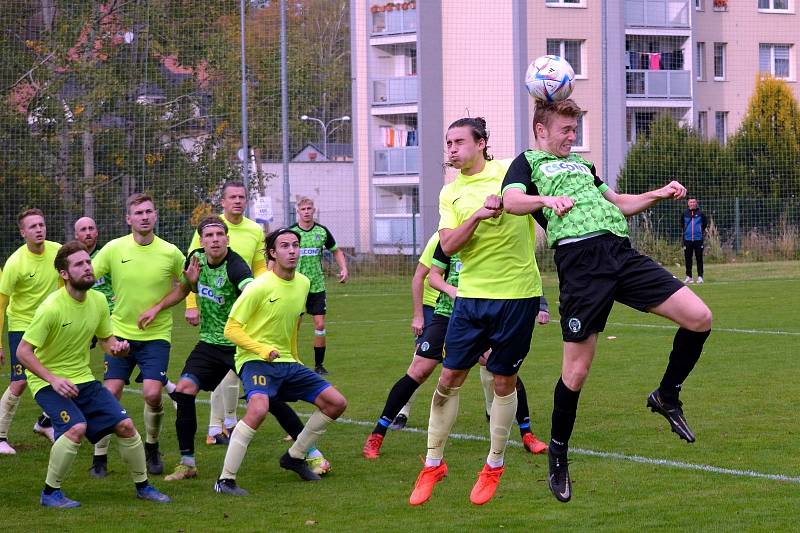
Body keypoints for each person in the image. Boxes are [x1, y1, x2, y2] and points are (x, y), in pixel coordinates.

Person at [502, 99, 713, 503]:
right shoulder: (527, 162)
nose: (572, 135)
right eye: (565, 129)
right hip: (581, 264)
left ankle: (666, 395)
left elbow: (617, 203)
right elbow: (512, 202)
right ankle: (559, 454)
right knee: (576, 373)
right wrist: (546, 202)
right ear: (541, 130)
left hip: (622, 255)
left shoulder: (583, 166)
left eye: (575, 128)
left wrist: (657, 194)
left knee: (699, 317)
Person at [408, 117, 544, 507]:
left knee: (504, 382)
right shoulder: (450, 193)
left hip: (517, 297)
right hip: (470, 299)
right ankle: (433, 463)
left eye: (458, 142)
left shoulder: (509, 172)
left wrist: (518, 203)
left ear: (482, 143)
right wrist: (479, 216)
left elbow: (534, 201)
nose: (450, 149)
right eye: (447, 142)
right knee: (448, 377)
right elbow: (447, 245)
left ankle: (494, 464)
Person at [137, 216, 330, 481]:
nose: (215, 240)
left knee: (269, 401)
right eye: (209, 236)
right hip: (209, 343)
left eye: (220, 234)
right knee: (184, 392)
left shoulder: (237, 267)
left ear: (227, 238)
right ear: (201, 241)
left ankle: (311, 452)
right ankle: (187, 463)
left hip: (241, 344)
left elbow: (250, 289)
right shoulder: (196, 259)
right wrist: (164, 303)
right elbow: (185, 288)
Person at [16, 241, 170, 507]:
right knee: (76, 428)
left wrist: (117, 348)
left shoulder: (98, 300)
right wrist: (53, 379)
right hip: (48, 382)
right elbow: (23, 351)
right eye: (79, 264)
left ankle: (143, 486)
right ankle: (50, 493)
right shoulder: (52, 307)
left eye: (88, 262)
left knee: (126, 426)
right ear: (64, 274)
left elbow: (105, 339)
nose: (88, 268)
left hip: (83, 378)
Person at [363, 240, 547, 460]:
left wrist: (541, 304)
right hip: (447, 313)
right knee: (419, 370)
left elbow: (523, 275)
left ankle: (527, 434)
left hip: (481, 315)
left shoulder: (497, 239)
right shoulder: (450, 238)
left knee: (503, 370)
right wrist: (450, 290)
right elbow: (431, 276)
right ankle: (377, 434)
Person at [214, 228, 347, 496]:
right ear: (273, 253)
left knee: (336, 403)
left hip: (288, 362)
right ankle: (225, 480)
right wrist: (261, 349)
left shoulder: (304, 283)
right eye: (285, 246)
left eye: (295, 245)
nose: (292, 251)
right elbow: (231, 329)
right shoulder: (258, 286)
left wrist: (295, 358)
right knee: (259, 408)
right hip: (255, 360)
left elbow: (294, 324)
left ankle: (295, 456)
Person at [88, 193, 185, 477]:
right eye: (138, 213)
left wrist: (158, 307)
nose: (144, 216)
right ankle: (99, 456)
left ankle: (152, 447)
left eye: (149, 212)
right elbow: (87, 278)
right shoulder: (113, 249)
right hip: (120, 333)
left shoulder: (170, 252)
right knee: (111, 392)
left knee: (153, 394)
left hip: (156, 336)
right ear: (128, 219)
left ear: (155, 216)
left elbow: (186, 285)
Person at [182, 181, 267, 446]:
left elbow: (260, 268)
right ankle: (215, 426)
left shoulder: (255, 229)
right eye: (233, 197)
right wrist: (191, 303)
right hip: (213, 314)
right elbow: (193, 269)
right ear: (223, 201)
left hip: (243, 310)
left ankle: (225, 424)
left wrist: (264, 295)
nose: (238, 201)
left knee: (235, 376)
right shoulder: (210, 227)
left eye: (242, 197)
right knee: (222, 372)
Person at [0, 208, 60, 455]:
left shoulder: (57, 252)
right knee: (20, 381)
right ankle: (0, 436)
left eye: (41, 224)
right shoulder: (15, 262)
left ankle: (45, 423)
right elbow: (1, 305)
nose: (39, 229)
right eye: (33, 226)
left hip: (49, 325)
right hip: (22, 327)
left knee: (61, 373)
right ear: (23, 232)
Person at [289, 197, 349, 375]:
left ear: (314, 210)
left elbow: (336, 250)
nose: (306, 211)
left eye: (309, 208)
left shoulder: (322, 232)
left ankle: (319, 365)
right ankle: (292, 362)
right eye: (303, 209)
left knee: (320, 325)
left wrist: (344, 268)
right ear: (298, 211)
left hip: (317, 286)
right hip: (295, 287)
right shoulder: (291, 232)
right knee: (293, 327)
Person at [390, 232, 442, 431]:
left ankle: (492, 410)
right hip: (432, 307)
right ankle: (402, 412)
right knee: (420, 361)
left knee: (488, 358)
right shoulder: (439, 238)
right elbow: (418, 277)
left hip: (461, 305)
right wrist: (418, 315)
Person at [74, 216, 115, 311]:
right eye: (83, 229)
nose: (88, 233)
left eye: (91, 228)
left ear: (96, 232)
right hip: (82, 310)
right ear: (76, 235)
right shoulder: (72, 259)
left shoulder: (107, 254)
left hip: (108, 310)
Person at [681, 198, 708, 284]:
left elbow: (704, 224)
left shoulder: (701, 213)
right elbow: (682, 224)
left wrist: (699, 231)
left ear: (696, 203)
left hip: (698, 239)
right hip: (687, 239)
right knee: (688, 258)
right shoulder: (684, 214)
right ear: (688, 204)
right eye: (690, 202)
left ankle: (700, 276)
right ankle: (689, 277)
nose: (692, 203)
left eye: (694, 202)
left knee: (699, 258)